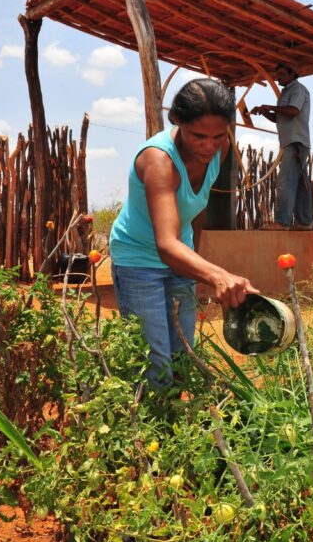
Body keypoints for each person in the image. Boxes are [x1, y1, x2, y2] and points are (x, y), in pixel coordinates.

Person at [110, 78, 259, 389]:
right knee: (154, 363)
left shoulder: (221, 150)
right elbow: (166, 244)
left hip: (181, 259)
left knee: (182, 354)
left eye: (218, 135)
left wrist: (197, 263)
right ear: (177, 120)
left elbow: (197, 209)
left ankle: (174, 427)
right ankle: (148, 433)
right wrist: (217, 276)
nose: (209, 145)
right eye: (198, 136)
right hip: (139, 261)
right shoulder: (159, 160)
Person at [250, 63, 313, 230]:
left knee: (285, 182)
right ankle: (305, 222)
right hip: (293, 142)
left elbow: (292, 111)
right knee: (300, 185)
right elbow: (280, 117)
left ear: (293, 74)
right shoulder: (286, 92)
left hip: (295, 142)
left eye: (282, 74)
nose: (278, 77)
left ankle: (282, 222)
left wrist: (270, 107)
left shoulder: (297, 89)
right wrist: (264, 111)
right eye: (277, 74)